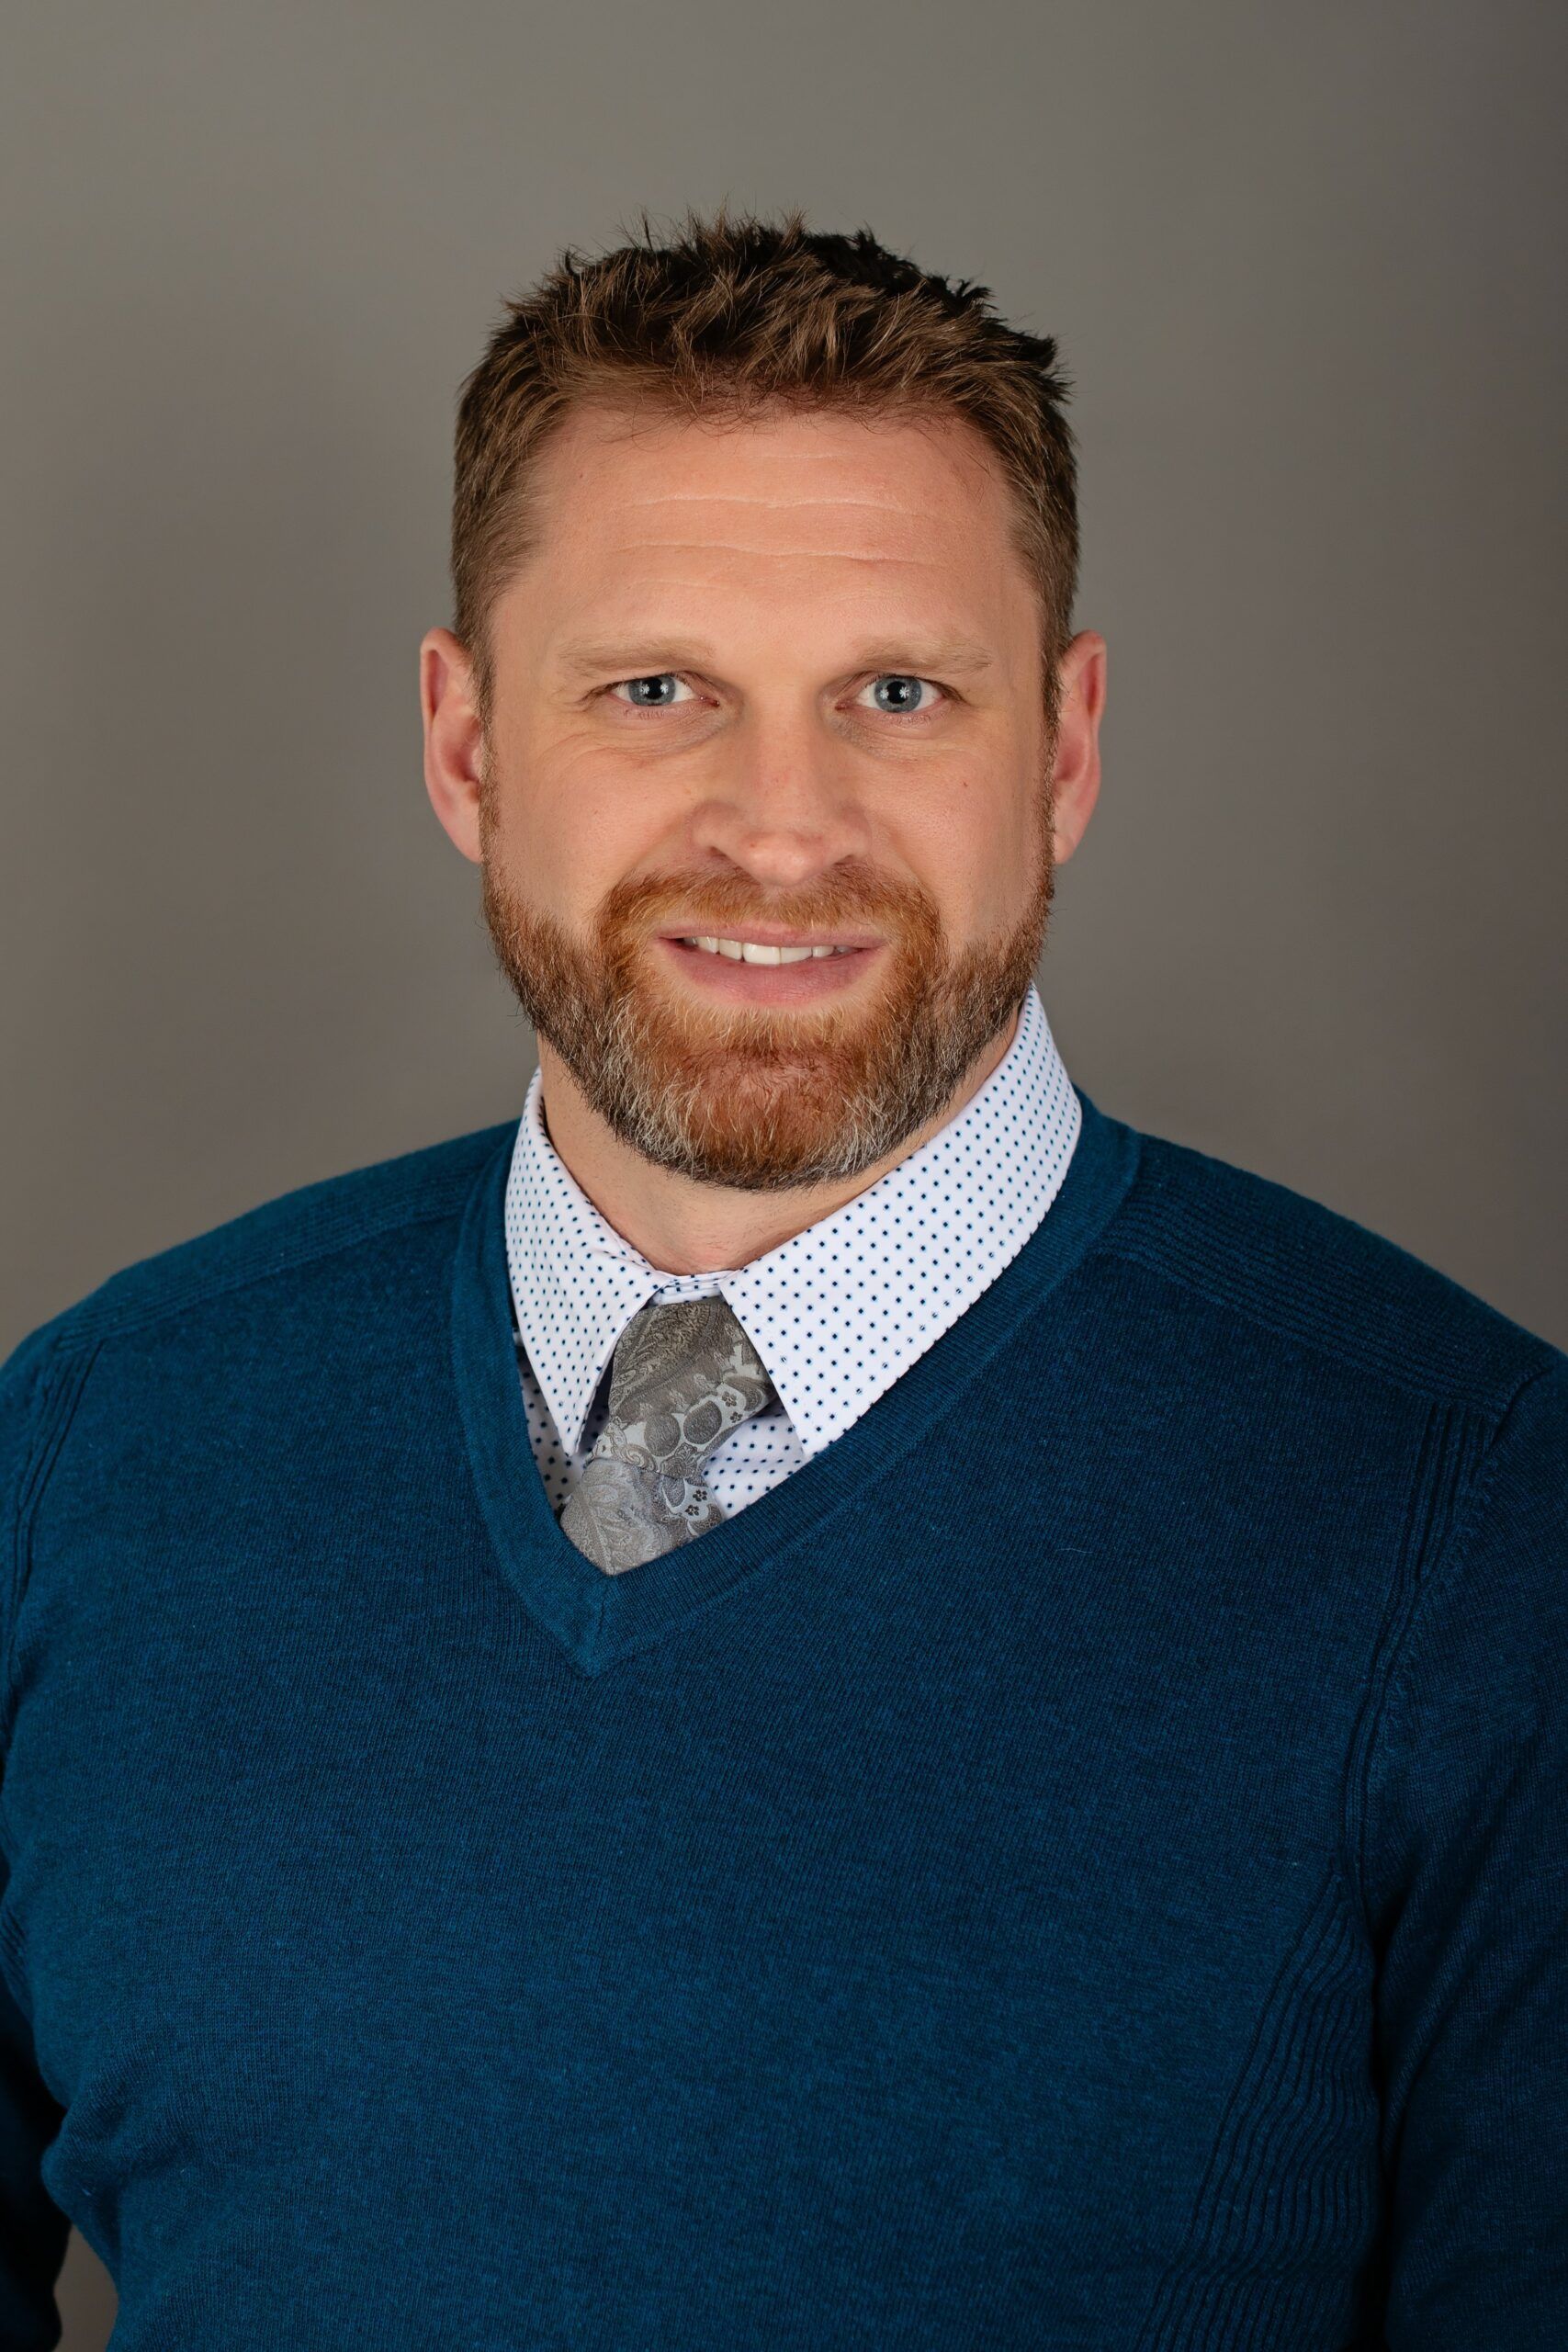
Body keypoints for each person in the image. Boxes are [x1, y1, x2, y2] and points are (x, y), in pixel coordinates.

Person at [1, 206, 1562, 2351]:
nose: (779, 823)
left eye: (896, 694)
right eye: (657, 691)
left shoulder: (1479, 1524)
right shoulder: (94, 1444)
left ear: (1064, 749)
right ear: (465, 746)